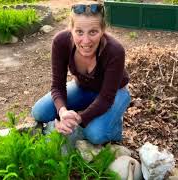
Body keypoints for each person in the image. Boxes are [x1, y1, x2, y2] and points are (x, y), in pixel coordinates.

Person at [31, 1, 130, 145]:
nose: (86, 40)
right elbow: (57, 86)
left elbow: (106, 98)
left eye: (93, 32)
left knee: (95, 134)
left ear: (103, 30)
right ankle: (92, 110)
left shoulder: (115, 51)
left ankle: (114, 127)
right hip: (83, 87)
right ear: (71, 29)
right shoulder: (61, 42)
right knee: (40, 112)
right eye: (79, 32)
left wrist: (79, 118)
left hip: (115, 93)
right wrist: (63, 113)